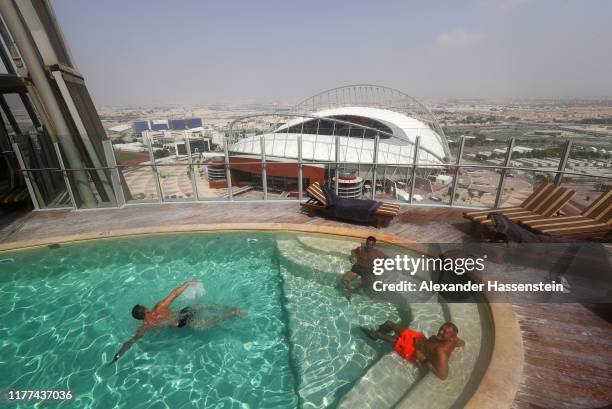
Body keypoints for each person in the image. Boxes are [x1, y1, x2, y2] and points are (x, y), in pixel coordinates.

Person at [108, 280, 246, 365]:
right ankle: (227, 308)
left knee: (207, 323)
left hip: (183, 323)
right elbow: (174, 294)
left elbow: (131, 342)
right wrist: (186, 284)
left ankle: (231, 313)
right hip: (185, 311)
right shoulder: (159, 307)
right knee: (204, 305)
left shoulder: (146, 327)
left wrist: (118, 355)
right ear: (145, 308)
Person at [361, 321, 464, 380]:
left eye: (444, 332)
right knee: (389, 324)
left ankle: (376, 335)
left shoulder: (441, 352)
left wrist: (423, 360)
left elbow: (443, 376)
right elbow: (462, 343)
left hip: (414, 352)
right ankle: (378, 332)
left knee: (388, 338)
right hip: (421, 340)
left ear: (450, 337)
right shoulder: (454, 339)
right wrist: (459, 343)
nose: (440, 331)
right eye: (441, 328)